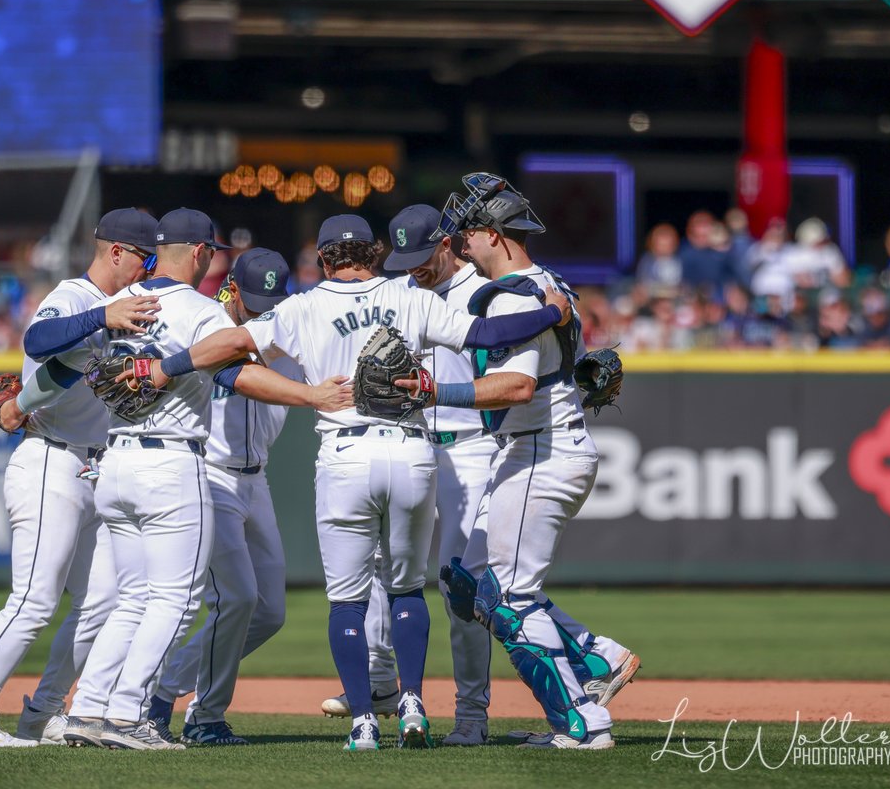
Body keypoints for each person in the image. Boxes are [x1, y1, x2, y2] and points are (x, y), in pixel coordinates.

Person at [130, 204, 574, 750]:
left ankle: (364, 721)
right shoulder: (409, 297)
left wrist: (165, 367)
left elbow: (230, 347)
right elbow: (488, 333)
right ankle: (413, 706)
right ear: (375, 252)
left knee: (347, 601)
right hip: (411, 452)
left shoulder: (302, 308)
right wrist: (551, 315)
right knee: (408, 589)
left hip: (342, 454)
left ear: (321, 258)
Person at [59, 209, 352, 752]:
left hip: (167, 462)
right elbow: (230, 366)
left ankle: (95, 709)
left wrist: (40, 409)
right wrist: (312, 395)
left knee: (241, 606)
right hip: (189, 468)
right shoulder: (206, 317)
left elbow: (56, 347)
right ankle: (142, 711)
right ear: (206, 259)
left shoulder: (125, 306)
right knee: (184, 598)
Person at [403, 172, 639, 750]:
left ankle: (581, 722)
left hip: (539, 451)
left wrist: (432, 392)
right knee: (468, 584)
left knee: (509, 598)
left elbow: (512, 388)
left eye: (469, 232)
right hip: (542, 447)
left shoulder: (512, 292)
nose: (461, 242)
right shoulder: (545, 282)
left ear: (492, 233)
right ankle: (594, 657)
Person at [0, 208, 162, 748]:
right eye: (145, 257)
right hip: (49, 461)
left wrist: (23, 399)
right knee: (35, 600)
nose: (149, 267)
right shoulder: (74, 296)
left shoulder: (128, 310)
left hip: (95, 465)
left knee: (103, 600)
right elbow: (41, 340)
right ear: (116, 252)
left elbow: (66, 371)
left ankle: (42, 713)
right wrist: (102, 317)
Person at [315, 205, 496, 746]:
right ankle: (376, 685)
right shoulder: (397, 293)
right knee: (370, 571)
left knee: (456, 587)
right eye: (405, 259)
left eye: (422, 256)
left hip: (465, 445)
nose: (414, 267)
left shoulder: (482, 292)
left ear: (449, 244)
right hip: (409, 447)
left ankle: (470, 714)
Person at [147, 249, 299, 746]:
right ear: (232, 288)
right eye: (254, 300)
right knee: (234, 598)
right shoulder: (202, 330)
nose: (261, 310)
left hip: (258, 480)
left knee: (269, 612)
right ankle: (204, 715)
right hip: (212, 478)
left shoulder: (284, 333)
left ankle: (164, 684)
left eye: (271, 301)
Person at [634, 223, 682, 291]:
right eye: (661, 246)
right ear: (652, 246)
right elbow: (643, 280)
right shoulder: (647, 261)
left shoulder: (678, 261)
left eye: (667, 246)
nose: (664, 249)